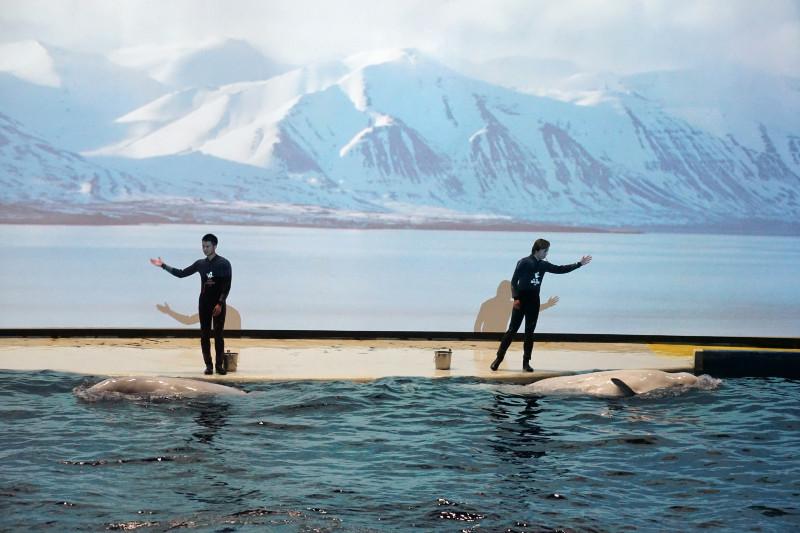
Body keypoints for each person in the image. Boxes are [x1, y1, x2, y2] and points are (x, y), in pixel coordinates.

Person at [491, 238, 591, 372]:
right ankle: (498, 359)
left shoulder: (544, 265)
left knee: (529, 333)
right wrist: (516, 298)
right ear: (537, 250)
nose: (546, 254)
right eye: (545, 251)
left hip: (533, 301)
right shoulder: (524, 262)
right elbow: (514, 281)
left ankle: (526, 363)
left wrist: (579, 264)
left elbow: (560, 269)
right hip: (521, 300)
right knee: (512, 330)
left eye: (547, 251)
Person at [150, 234, 232, 375]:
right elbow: (181, 273)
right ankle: (209, 366)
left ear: (215, 246)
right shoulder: (201, 264)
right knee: (204, 335)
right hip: (204, 304)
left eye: (207, 246)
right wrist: (163, 266)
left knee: (218, 335)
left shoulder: (224, 264)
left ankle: (219, 366)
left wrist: (220, 303)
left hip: (218, 304)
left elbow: (226, 286)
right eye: (203, 246)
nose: (205, 249)